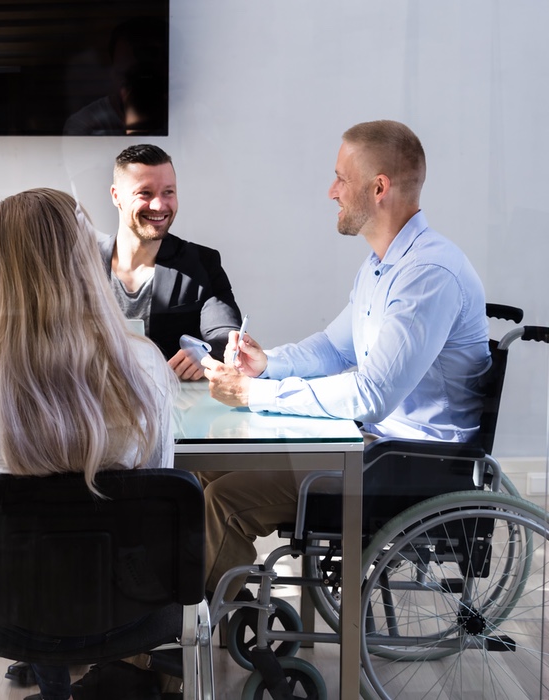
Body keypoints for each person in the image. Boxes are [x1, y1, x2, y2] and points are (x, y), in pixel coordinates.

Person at [201, 120, 491, 599]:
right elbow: (335, 347)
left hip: (408, 465)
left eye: (341, 177)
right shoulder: (383, 264)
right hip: (375, 449)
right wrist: (266, 363)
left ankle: (178, 655)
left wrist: (255, 394)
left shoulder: (428, 275)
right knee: (206, 468)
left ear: (379, 188)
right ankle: (197, 612)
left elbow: (372, 395)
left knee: (223, 501)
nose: (330, 190)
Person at [0, 188, 177, 700]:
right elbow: (158, 486)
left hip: (12, 610)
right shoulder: (145, 368)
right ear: (85, 260)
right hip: (129, 604)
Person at [101, 144, 241, 381]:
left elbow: (224, 335)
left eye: (168, 192)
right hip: (91, 407)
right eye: (144, 193)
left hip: (175, 407)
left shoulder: (202, 263)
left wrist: (205, 353)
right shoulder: (79, 265)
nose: (159, 205)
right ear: (116, 196)